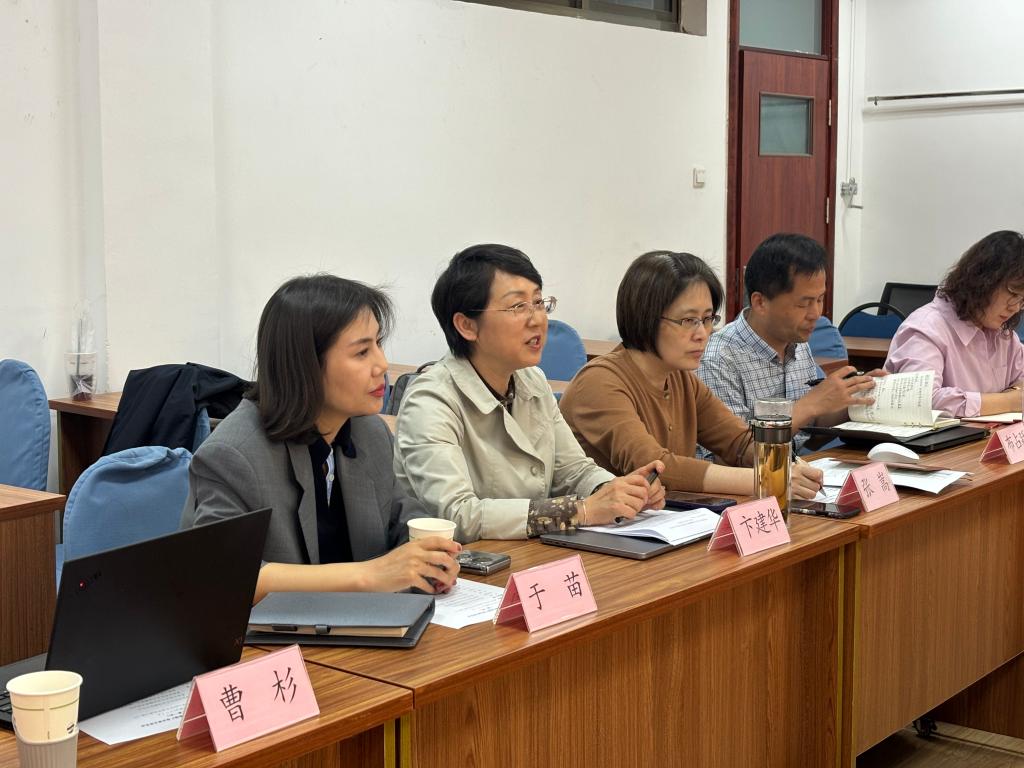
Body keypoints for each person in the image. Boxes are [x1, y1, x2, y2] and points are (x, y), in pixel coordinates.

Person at [181, 274, 460, 602]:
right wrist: (369, 575)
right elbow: (223, 576)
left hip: (363, 623)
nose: (382, 365)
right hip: (271, 632)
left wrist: (429, 557)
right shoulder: (233, 454)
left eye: (379, 344)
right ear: (306, 365)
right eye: (362, 352)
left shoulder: (369, 432)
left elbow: (400, 518)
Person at [393, 243, 665, 542]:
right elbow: (457, 514)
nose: (537, 319)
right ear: (467, 325)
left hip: (529, 551)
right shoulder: (431, 400)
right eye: (518, 307)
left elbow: (573, 470)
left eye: (538, 302)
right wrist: (579, 511)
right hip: (464, 562)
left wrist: (619, 492)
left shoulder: (531, 380)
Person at [559, 251, 823, 498]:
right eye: (688, 321)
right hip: (602, 527)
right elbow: (656, 467)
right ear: (646, 318)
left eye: (707, 319)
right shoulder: (599, 383)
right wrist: (768, 479)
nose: (702, 334)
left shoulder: (680, 377)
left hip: (665, 518)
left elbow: (739, 442)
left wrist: (788, 466)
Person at [697, 233, 879, 452]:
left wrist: (858, 397)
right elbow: (736, 452)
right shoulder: (718, 359)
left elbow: (810, 433)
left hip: (798, 467)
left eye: (820, 299)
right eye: (803, 304)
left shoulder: (797, 342)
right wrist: (809, 405)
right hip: (754, 473)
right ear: (760, 302)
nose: (816, 314)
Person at [885, 230, 1024, 417]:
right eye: (1013, 293)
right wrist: (1008, 401)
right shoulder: (927, 328)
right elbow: (919, 400)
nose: (1015, 307)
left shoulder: (1003, 335)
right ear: (984, 280)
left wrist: (1012, 395)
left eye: (1023, 300)